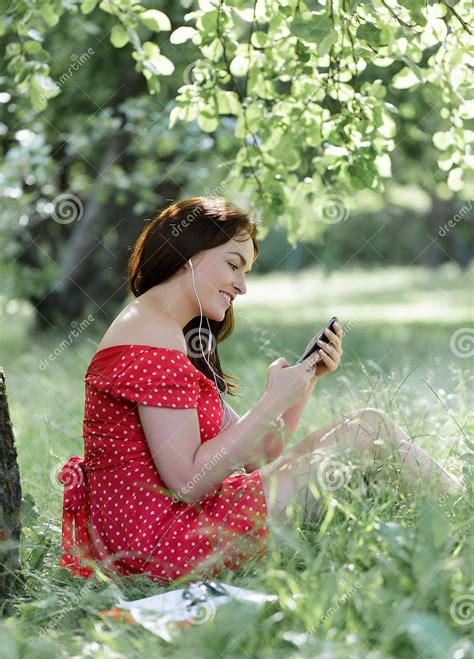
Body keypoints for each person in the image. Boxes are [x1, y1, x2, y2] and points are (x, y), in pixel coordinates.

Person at [59, 196, 462, 584]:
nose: (241, 287)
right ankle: (464, 517)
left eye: (246, 272)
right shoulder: (153, 335)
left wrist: (304, 382)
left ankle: (456, 526)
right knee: (370, 430)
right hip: (166, 544)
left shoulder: (165, 330)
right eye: (233, 266)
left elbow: (258, 458)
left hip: (169, 532)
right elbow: (187, 481)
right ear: (188, 253)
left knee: (368, 432)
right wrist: (271, 401)